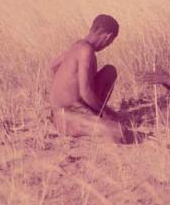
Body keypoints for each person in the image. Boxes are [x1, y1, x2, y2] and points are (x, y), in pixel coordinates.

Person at [49, 14, 127, 143]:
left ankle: (94, 116)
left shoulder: (78, 45)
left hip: (70, 110)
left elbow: (53, 66)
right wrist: (107, 113)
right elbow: (85, 93)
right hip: (67, 116)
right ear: (108, 37)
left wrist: (66, 87)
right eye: (110, 42)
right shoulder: (86, 51)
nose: (108, 45)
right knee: (119, 132)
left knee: (109, 71)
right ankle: (95, 117)